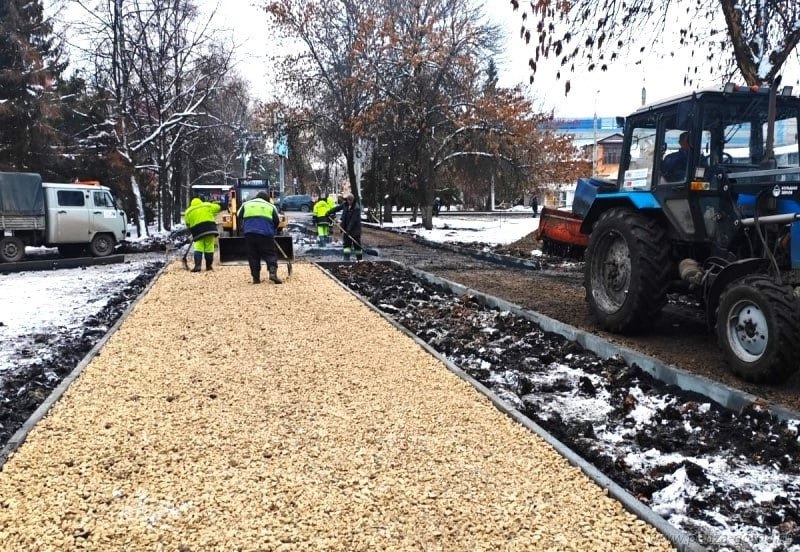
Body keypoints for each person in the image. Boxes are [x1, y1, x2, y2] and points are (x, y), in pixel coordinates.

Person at [237, 191, 283, 284]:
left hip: (249, 233)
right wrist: (272, 230)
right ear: (267, 199)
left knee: (253, 255)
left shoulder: (246, 204)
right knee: (270, 253)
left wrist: (246, 226)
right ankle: (273, 273)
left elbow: (239, 215)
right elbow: (277, 221)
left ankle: (256, 278)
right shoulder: (271, 206)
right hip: (266, 234)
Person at [184, 197, 221, 272]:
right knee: (209, 248)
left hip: (198, 233)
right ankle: (209, 266)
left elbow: (187, 224)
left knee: (198, 248)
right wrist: (213, 203)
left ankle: (197, 266)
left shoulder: (188, 211)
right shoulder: (207, 205)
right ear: (200, 201)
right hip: (210, 230)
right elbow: (218, 207)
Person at [328, 193, 363, 261]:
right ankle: (346, 259)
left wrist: (349, 230)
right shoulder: (345, 204)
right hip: (346, 229)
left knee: (357, 246)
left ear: (352, 200)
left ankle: (359, 259)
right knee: (347, 245)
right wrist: (329, 212)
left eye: (350, 201)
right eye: (348, 200)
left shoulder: (356, 208)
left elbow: (353, 220)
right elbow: (337, 208)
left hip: (355, 230)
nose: (348, 202)